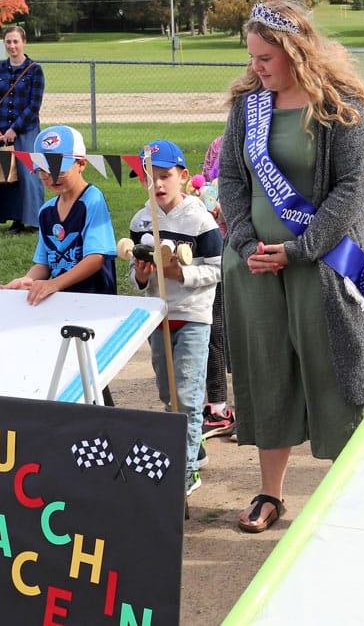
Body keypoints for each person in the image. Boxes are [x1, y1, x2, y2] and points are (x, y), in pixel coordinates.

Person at [218, 0, 364, 533]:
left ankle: (350, 493)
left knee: (336, 371)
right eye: (252, 57)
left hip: (323, 264)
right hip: (255, 266)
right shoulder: (249, 104)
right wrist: (244, 242)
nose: (257, 67)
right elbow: (233, 180)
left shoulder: (342, 103)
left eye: (266, 57)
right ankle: (271, 493)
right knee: (267, 374)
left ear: (296, 51)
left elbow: (352, 188)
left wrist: (299, 249)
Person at [127, 139, 222, 497]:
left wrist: (182, 276)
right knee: (168, 392)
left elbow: (217, 270)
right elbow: (136, 276)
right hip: (159, 317)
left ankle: (186, 470)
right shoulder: (141, 220)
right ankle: (193, 445)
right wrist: (140, 274)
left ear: (183, 176)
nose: (159, 185)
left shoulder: (200, 220)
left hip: (193, 316)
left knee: (186, 392)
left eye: (166, 176)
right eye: (151, 178)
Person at [0, 125, 116, 303]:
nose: (51, 178)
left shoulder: (93, 200)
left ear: (81, 164)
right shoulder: (46, 211)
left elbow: (96, 257)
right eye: (43, 171)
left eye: (59, 170)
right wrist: (28, 280)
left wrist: (54, 284)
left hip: (94, 302)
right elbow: (44, 263)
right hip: (60, 301)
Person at [0, 25, 46, 235]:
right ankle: (15, 220)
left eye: (16, 41)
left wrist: (15, 128)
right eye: (8, 42)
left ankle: (35, 220)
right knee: (6, 175)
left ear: (24, 42)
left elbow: (34, 105)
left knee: (28, 175)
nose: (12, 46)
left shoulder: (35, 70)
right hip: (1, 132)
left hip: (26, 131)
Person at [199, 135, 236, 441]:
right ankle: (218, 407)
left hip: (258, 250)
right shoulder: (217, 145)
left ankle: (256, 414)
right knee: (216, 328)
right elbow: (204, 190)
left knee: (254, 332)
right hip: (219, 248)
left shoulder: (271, 137)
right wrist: (206, 206)